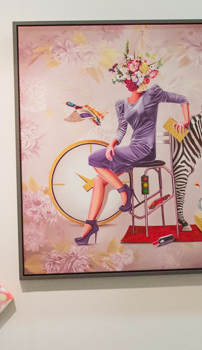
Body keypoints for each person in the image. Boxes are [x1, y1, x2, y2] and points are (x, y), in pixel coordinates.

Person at [76, 48, 189, 245]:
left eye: (137, 74)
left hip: (145, 149)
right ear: (125, 79)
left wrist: (185, 122)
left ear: (144, 77)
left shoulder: (152, 94)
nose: (133, 79)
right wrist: (112, 144)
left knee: (93, 159)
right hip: (132, 149)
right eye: (129, 75)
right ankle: (90, 225)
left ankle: (123, 191)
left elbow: (182, 99)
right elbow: (121, 129)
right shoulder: (121, 104)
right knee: (99, 179)